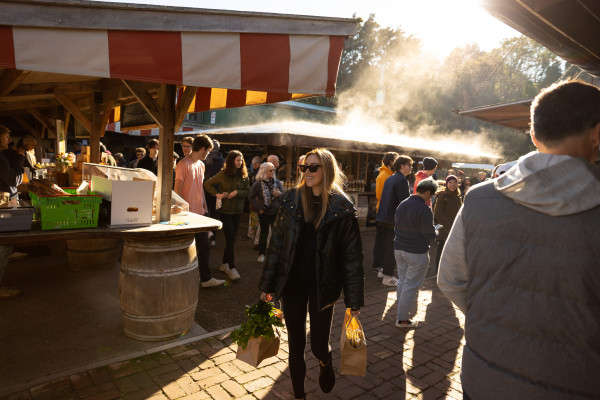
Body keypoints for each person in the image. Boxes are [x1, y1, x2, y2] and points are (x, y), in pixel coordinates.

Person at [438, 80, 600, 400]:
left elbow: (450, 279)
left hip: (482, 378)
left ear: (535, 136)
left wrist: (494, 318)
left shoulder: (478, 199)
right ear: (597, 133)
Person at [259, 148, 364, 400]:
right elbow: (276, 246)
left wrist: (354, 301)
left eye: (313, 167)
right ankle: (299, 395)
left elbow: (352, 259)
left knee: (318, 344)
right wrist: (267, 285)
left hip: (323, 286)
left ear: (326, 170)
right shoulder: (291, 199)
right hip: (292, 284)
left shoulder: (342, 208)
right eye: (304, 167)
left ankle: (325, 362)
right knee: (295, 346)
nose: (307, 172)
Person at [174, 134, 225, 288]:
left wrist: (204, 209)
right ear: (203, 149)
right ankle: (196, 279)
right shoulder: (182, 165)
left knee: (203, 248)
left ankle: (204, 278)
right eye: (208, 151)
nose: (208, 154)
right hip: (186, 215)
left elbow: (200, 189)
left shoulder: (200, 165)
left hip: (199, 213)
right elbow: (177, 191)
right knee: (187, 249)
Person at [394, 179, 439, 328]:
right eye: (431, 196)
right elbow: (429, 234)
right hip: (416, 251)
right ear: (427, 193)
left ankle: (400, 315)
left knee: (402, 281)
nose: (430, 198)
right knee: (411, 285)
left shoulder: (403, 204)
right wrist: (436, 230)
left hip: (399, 248)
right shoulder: (424, 209)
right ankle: (402, 319)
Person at [204, 150, 250, 281]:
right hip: (225, 211)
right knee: (230, 239)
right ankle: (232, 267)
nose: (240, 163)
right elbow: (207, 184)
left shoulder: (244, 175)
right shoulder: (222, 174)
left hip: (238, 211)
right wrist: (217, 194)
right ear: (231, 161)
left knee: (232, 239)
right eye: (237, 160)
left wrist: (237, 192)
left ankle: (224, 264)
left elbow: (247, 190)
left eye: (241, 160)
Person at [374, 155, 413, 286]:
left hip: (383, 216)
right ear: (402, 165)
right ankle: (387, 276)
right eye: (409, 165)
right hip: (393, 219)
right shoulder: (402, 180)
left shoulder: (390, 178)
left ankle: (383, 271)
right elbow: (404, 203)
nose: (411, 167)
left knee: (385, 246)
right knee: (392, 248)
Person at [0, 125, 25, 299]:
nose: (9, 140)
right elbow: (14, 180)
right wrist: (19, 161)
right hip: (2, 200)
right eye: (6, 136)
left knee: (4, 244)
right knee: (2, 245)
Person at [249, 162, 283, 263]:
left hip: (276, 212)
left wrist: (280, 194)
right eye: (270, 170)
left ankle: (275, 254)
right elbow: (250, 197)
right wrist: (257, 208)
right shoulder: (258, 184)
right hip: (264, 212)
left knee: (276, 234)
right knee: (264, 234)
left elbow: (284, 196)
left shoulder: (277, 183)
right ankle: (261, 254)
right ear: (264, 171)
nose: (273, 172)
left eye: (273, 170)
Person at [371, 152, 399, 277]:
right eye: (395, 160)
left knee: (385, 240)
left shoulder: (390, 175)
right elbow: (379, 195)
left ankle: (381, 264)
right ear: (389, 162)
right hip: (383, 212)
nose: (397, 163)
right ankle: (377, 265)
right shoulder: (384, 175)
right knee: (382, 241)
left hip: (386, 212)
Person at [432, 175, 461, 272]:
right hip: (445, 229)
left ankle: (448, 272)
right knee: (442, 250)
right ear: (446, 183)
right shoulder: (442, 195)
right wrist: (449, 226)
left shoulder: (457, 196)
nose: (452, 185)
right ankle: (438, 272)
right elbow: (438, 213)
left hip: (455, 229)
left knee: (452, 252)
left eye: (454, 182)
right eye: (450, 182)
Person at [204, 140, 225, 247]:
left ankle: (207, 234)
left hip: (206, 191)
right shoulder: (223, 161)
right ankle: (213, 238)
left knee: (206, 213)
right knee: (215, 215)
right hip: (218, 192)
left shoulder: (206, 160)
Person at [247, 155, 263, 242]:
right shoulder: (258, 172)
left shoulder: (257, 174)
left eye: (253, 164)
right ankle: (253, 235)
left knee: (254, 218)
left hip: (256, 199)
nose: (253, 166)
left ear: (256, 164)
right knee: (255, 218)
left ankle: (252, 234)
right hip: (257, 199)